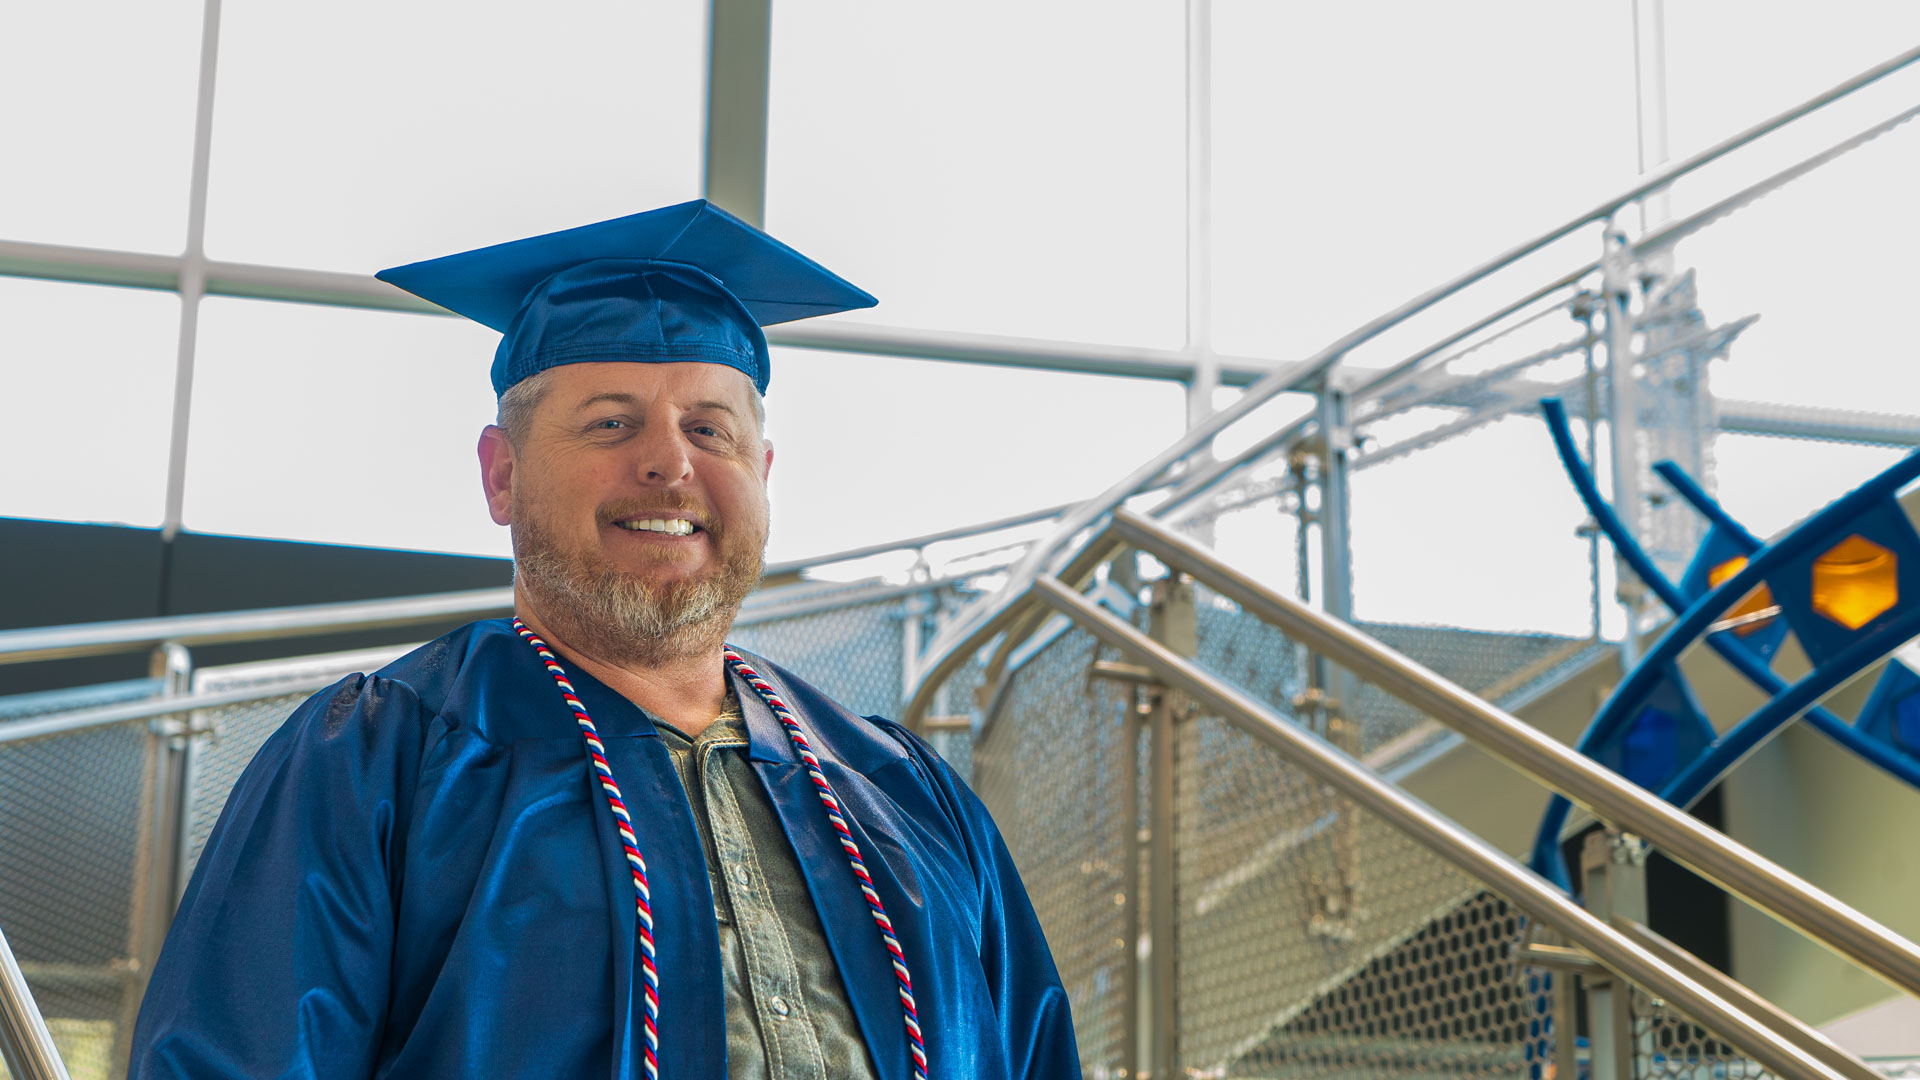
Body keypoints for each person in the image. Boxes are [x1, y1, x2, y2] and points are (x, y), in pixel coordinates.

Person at [127, 200, 1081, 1080]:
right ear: (502, 477)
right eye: (611, 423)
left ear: (763, 472)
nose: (669, 462)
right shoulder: (379, 762)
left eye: (710, 429)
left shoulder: (906, 795)